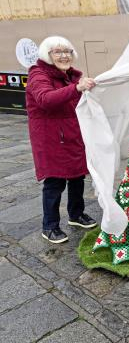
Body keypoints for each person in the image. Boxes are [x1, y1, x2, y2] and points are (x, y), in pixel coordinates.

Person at [26, 36, 98, 244]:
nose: (64, 55)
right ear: (47, 55)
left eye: (67, 51)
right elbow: (45, 99)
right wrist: (76, 88)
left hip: (73, 135)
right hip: (51, 139)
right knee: (54, 182)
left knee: (77, 177)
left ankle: (76, 215)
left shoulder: (71, 76)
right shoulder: (38, 75)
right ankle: (49, 226)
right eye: (57, 51)